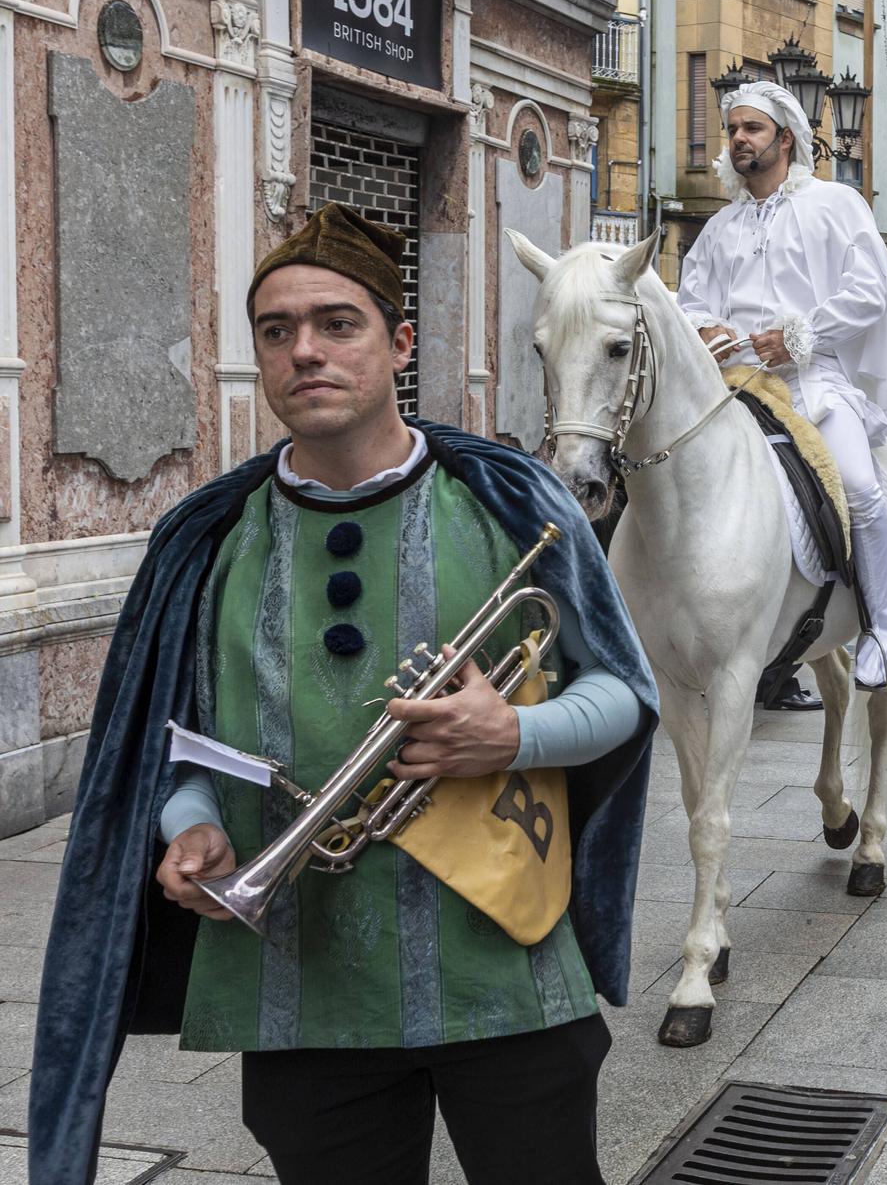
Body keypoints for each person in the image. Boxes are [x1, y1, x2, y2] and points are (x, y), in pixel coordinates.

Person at [29, 204, 660, 1185]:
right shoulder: (206, 538)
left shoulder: (513, 502)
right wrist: (188, 828)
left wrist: (514, 732)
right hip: (299, 981)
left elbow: (622, 691)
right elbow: (182, 746)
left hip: (505, 958)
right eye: (276, 331)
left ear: (399, 343)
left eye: (336, 323)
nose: (304, 351)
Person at [679, 81, 887, 690]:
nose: (737, 138)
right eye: (732, 128)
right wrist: (703, 329)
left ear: (785, 139)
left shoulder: (834, 203)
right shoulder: (719, 227)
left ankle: (881, 629)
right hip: (731, 387)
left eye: (752, 128)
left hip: (812, 379)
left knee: (861, 487)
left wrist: (800, 335)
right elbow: (689, 301)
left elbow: (870, 290)